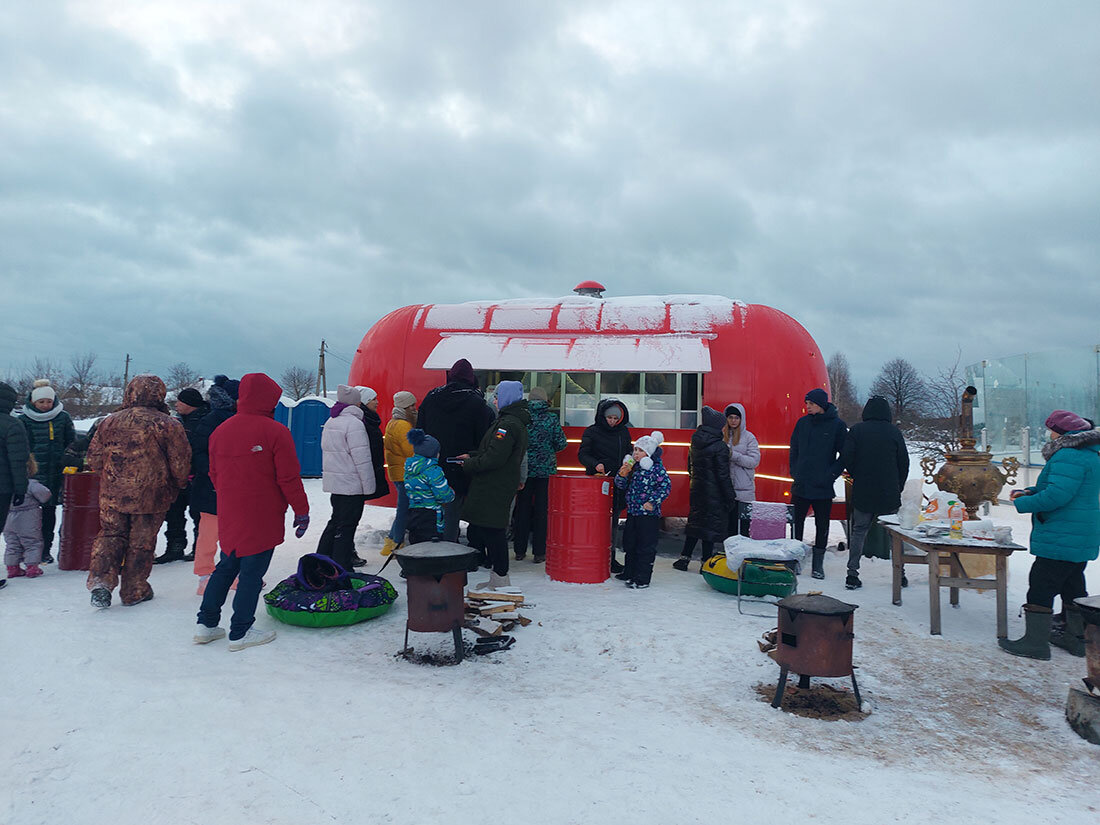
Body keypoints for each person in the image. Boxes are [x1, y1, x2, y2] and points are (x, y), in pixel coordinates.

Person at [194, 373, 309, 651]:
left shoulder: (221, 431)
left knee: (226, 565)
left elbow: (214, 473)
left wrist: (230, 497)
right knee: (252, 574)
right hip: (262, 512)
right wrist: (301, 510)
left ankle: (206, 624)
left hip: (231, 510)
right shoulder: (276, 431)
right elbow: (288, 478)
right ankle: (240, 631)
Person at [85, 375, 192, 608]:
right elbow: (180, 462)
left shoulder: (108, 421)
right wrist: (179, 483)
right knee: (141, 542)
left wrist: (111, 476)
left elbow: (93, 458)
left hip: (113, 493)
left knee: (110, 534)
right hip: (151, 495)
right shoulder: (169, 424)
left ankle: (101, 582)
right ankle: (135, 590)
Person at [1000, 410, 1099, 660]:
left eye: (1052, 430)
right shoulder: (1088, 454)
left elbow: (1058, 496)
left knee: (1041, 586)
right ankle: (1076, 640)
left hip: (1062, 534)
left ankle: (1035, 643)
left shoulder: (1068, 455)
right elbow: (1064, 488)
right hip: (1079, 533)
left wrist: (1023, 504)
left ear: (1063, 433)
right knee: (1073, 586)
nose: (1049, 434)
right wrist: (1031, 491)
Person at [460, 380, 529, 590]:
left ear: (506, 398)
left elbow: (495, 459)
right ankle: (497, 578)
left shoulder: (507, 425)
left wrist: (469, 463)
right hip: (499, 482)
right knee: (491, 528)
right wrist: (472, 455)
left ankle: (500, 578)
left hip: (495, 484)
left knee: (494, 530)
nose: (494, 400)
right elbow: (496, 453)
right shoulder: (511, 420)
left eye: (497, 396)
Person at [417, 358, 496, 542]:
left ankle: (427, 553)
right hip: (461, 466)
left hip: (432, 465)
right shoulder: (477, 403)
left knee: (430, 512)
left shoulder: (431, 397)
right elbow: (484, 439)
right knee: (453, 513)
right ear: (471, 378)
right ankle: (450, 556)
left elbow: (419, 432)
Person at [840, 396, 909, 590]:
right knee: (895, 534)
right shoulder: (894, 432)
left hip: (864, 489)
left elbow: (847, 457)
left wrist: (857, 475)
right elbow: (904, 462)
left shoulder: (857, 431)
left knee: (859, 531)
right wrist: (898, 485)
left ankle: (852, 574)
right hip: (889, 491)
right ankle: (900, 574)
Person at [789, 388, 847, 579]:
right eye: (806, 404)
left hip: (823, 485)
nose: (807, 407)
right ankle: (795, 560)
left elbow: (844, 455)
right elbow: (794, 449)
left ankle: (818, 565)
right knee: (797, 523)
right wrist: (795, 472)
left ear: (821, 405)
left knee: (823, 526)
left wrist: (831, 474)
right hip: (802, 482)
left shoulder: (837, 426)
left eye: (811, 404)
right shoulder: (802, 423)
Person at [316, 385, 376, 570]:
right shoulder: (355, 424)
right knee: (347, 526)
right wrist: (369, 487)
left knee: (335, 522)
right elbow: (362, 459)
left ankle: (322, 560)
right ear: (356, 403)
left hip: (336, 484)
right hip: (352, 484)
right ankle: (342, 565)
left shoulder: (332, 422)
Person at [189, 377, 238, 595]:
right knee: (211, 533)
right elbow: (199, 454)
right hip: (212, 487)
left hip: (225, 486)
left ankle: (229, 573)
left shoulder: (228, 418)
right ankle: (206, 575)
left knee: (230, 533)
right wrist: (219, 473)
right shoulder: (212, 420)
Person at [19, 379, 75, 563]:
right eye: (41, 402)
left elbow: (71, 442)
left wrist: (69, 459)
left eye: (48, 401)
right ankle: (24, 551)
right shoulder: (24, 420)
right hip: (33, 475)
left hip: (56, 473)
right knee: (28, 516)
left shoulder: (63, 417)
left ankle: (45, 551)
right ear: (33, 402)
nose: (45, 405)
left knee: (49, 514)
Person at [675, 407, 737, 571]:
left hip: (697, 489)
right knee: (709, 527)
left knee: (695, 522)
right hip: (714, 493)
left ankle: (684, 558)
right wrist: (730, 496)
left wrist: (696, 481)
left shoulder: (695, 441)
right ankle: (706, 562)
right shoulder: (720, 447)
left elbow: (690, 466)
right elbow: (723, 476)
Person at [577, 398, 633, 573]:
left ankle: (611, 558)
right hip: (597, 483)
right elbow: (582, 454)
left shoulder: (623, 432)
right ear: (603, 416)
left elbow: (629, 451)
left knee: (613, 523)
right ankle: (591, 556)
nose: (612, 422)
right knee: (595, 522)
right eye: (610, 418)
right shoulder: (592, 432)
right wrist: (595, 464)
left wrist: (628, 462)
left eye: (616, 419)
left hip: (617, 483)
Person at [155, 387, 209, 564]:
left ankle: (198, 549)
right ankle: (175, 547)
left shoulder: (204, 422)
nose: (176, 404)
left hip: (197, 477)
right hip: (177, 477)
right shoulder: (177, 422)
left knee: (198, 515)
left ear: (190, 404)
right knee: (174, 512)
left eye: (180, 401)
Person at [513, 386, 567, 563]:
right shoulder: (551, 419)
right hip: (545, 471)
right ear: (545, 400)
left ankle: (519, 550)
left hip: (524, 470)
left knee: (523, 509)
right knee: (542, 511)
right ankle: (539, 552)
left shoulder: (522, 417)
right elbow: (561, 444)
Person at [614, 431, 672, 589]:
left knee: (645, 546)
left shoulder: (656, 469)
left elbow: (665, 487)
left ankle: (642, 578)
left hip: (648, 515)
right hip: (633, 512)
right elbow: (621, 485)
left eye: (640, 450)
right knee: (630, 543)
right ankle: (630, 572)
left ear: (648, 453)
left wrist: (652, 502)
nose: (636, 453)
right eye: (635, 450)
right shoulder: (634, 468)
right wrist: (622, 475)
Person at [403, 429, 455, 544]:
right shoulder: (433, 471)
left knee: (417, 544)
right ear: (433, 453)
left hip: (413, 513)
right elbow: (443, 495)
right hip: (430, 517)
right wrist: (451, 494)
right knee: (431, 547)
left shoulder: (409, 469)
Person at [382, 390, 418, 555]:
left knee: (403, 508)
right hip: (405, 473)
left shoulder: (393, 422)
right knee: (404, 510)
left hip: (398, 472)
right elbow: (410, 450)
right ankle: (396, 543)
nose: (414, 408)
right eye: (412, 405)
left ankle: (391, 540)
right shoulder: (403, 425)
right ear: (405, 406)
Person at [4, 456, 50, 578]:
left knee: (12, 543)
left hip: (8, 517)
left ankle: (12, 568)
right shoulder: (30, 484)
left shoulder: (5, 484)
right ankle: (32, 567)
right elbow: (45, 495)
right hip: (28, 518)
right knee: (32, 542)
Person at [725, 403, 759, 539]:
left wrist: (733, 455)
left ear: (742, 419)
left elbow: (753, 461)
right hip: (726, 490)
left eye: (736, 418)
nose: (733, 421)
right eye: (731, 417)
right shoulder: (722, 436)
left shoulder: (749, 437)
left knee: (744, 529)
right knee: (729, 529)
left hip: (744, 490)